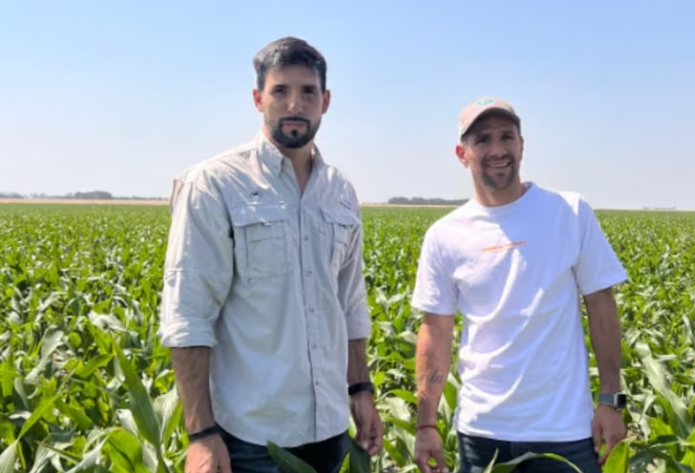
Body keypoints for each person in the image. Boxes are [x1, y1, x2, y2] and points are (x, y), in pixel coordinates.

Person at [157, 36, 383, 473]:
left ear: (326, 101)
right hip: (252, 438)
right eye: (281, 91)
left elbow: (350, 303)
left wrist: (361, 390)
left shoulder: (339, 191)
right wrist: (201, 435)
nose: (294, 104)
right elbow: (188, 315)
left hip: (331, 429)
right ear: (258, 99)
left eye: (308, 92)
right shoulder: (215, 183)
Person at [410, 97, 629, 473]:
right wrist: (426, 422)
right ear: (462, 153)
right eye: (482, 140)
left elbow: (602, 306)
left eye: (506, 137)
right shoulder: (445, 235)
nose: (497, 150)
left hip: (565, 433)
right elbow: (436, 331)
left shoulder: (570, 212)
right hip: (482, 433)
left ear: (522, 145)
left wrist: (611, 399)